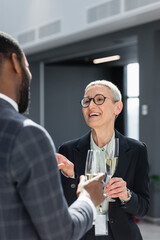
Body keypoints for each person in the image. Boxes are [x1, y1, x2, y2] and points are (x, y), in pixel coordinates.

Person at [0, 32, 106, 240]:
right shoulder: (26, 135)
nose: (29, 76)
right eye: (28, 67)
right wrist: (88, 198)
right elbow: (60, 233)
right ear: (15, 62)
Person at [58, 80, 150, 240]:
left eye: (99, 99)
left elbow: (142, 208)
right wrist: (71, 177)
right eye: (86, 101)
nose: (91, 106)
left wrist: (126, 195)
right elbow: (63, 207)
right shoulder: (68, 150)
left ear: (117, 107)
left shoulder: (137, 150)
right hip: (83, 235)